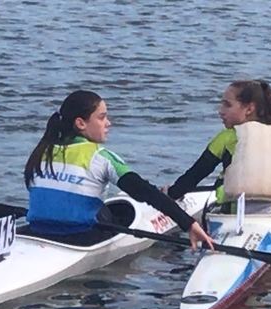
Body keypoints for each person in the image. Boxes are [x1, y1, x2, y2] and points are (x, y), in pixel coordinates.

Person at [23, 90, 214, 250]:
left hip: (37, 229)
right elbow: (146, 193)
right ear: (81, 123)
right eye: (102, 117)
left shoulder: (41, 152)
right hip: (79, 236)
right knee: (111, 215)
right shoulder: (101, 157)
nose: (108, 123)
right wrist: (188, 223)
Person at [164, 80, 271, 214]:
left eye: (227, 105)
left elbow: (193, 177)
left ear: (249, 109)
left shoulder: (226, 138)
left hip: (233, 218)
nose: (220, 111)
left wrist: (169, 194)